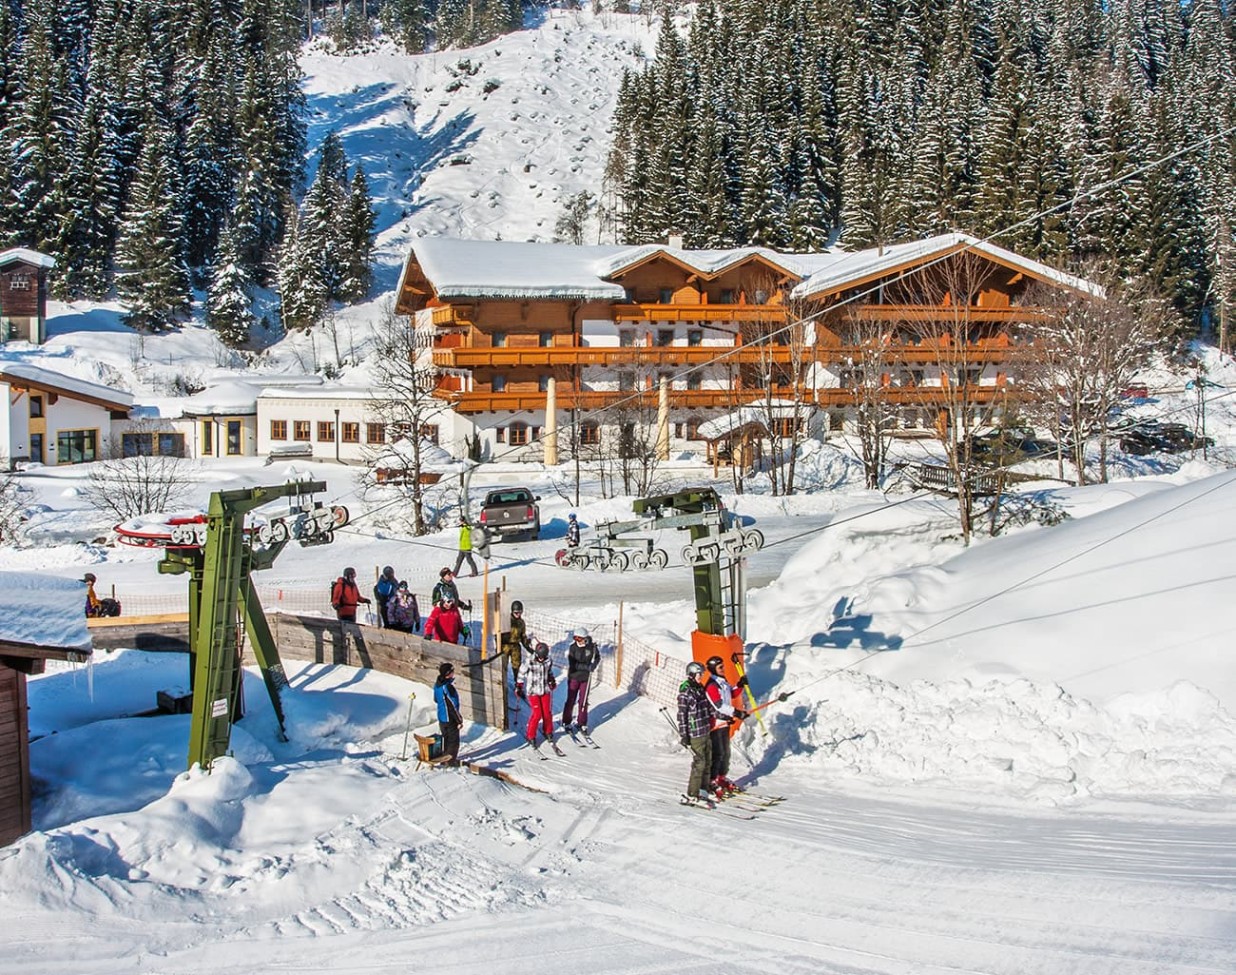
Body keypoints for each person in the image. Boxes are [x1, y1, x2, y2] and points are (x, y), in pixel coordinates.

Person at [703, 655, 750, 796]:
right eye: (720, 667)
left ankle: (721, 777)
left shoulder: (723, 682)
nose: (723, 669)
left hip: (725, 723)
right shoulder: (711, 686)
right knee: (718, 754)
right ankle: (712, 780)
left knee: (726, 753)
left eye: (723, 666)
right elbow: (718, 705)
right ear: (713, 669)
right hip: (716, 723)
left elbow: (732, 694)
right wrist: (736, 712)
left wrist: (740, 685)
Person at [676, 661, 714, 806]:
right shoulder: (685, 693)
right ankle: (692, 793)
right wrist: (684, 735)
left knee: (708, 761)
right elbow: (682, 715)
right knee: (699, 763)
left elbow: (709, 709)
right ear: (692, 674)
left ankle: (703, 790)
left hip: (705, 730)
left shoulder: (700, 689)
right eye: (699, 674)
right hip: (695, 733)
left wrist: (727, 716)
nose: (701, 677)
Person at [517, 641, 557, 749]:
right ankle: (531, 735)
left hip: (545, 690)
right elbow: (521, 673)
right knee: (537, 714)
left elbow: (549, 672)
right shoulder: (529, 661)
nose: (541, 659)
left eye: (543, 657)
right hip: (533, 691)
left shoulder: (548, 661)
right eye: (540, 657)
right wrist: (519, 685)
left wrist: (551, 680)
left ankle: (548, 731)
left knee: (547, 713)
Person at [562, 627, 600, 734]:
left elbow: (597, 657)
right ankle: (566, 721)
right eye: (576, 638)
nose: (578, 641)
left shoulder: (591, 647)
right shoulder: (572, 648)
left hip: (585, 678)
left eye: (579, 639)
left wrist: (594, 665)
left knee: (583, 701)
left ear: (585, 638)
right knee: (571, 700)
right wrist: (587, 667)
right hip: (574, 677)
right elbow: (573, 664)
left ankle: (582, 723)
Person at [433, 662, 464, 764]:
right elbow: (452, 706)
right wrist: (459, 720)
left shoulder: (437, 684)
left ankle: (445, 759)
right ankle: (450, 762)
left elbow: (436, 699)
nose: (453, 673)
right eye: (452, 671)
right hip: (450, 718)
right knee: (453, 742)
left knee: (446, 739)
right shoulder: (447, 687)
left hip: (442, 717)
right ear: (448, 674)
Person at [503, 599, 533, 676]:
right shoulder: (506, 620)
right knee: (503, 665)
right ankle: (502, 683)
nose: (518, 615)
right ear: (512, 611)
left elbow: (523, 636)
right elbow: (498, 633)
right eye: (516, 613)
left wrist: (528, 647)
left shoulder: (521, 623)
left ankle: (517, 683)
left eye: (520, 613)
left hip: (515, 646)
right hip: (505, 645)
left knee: (516, 666)